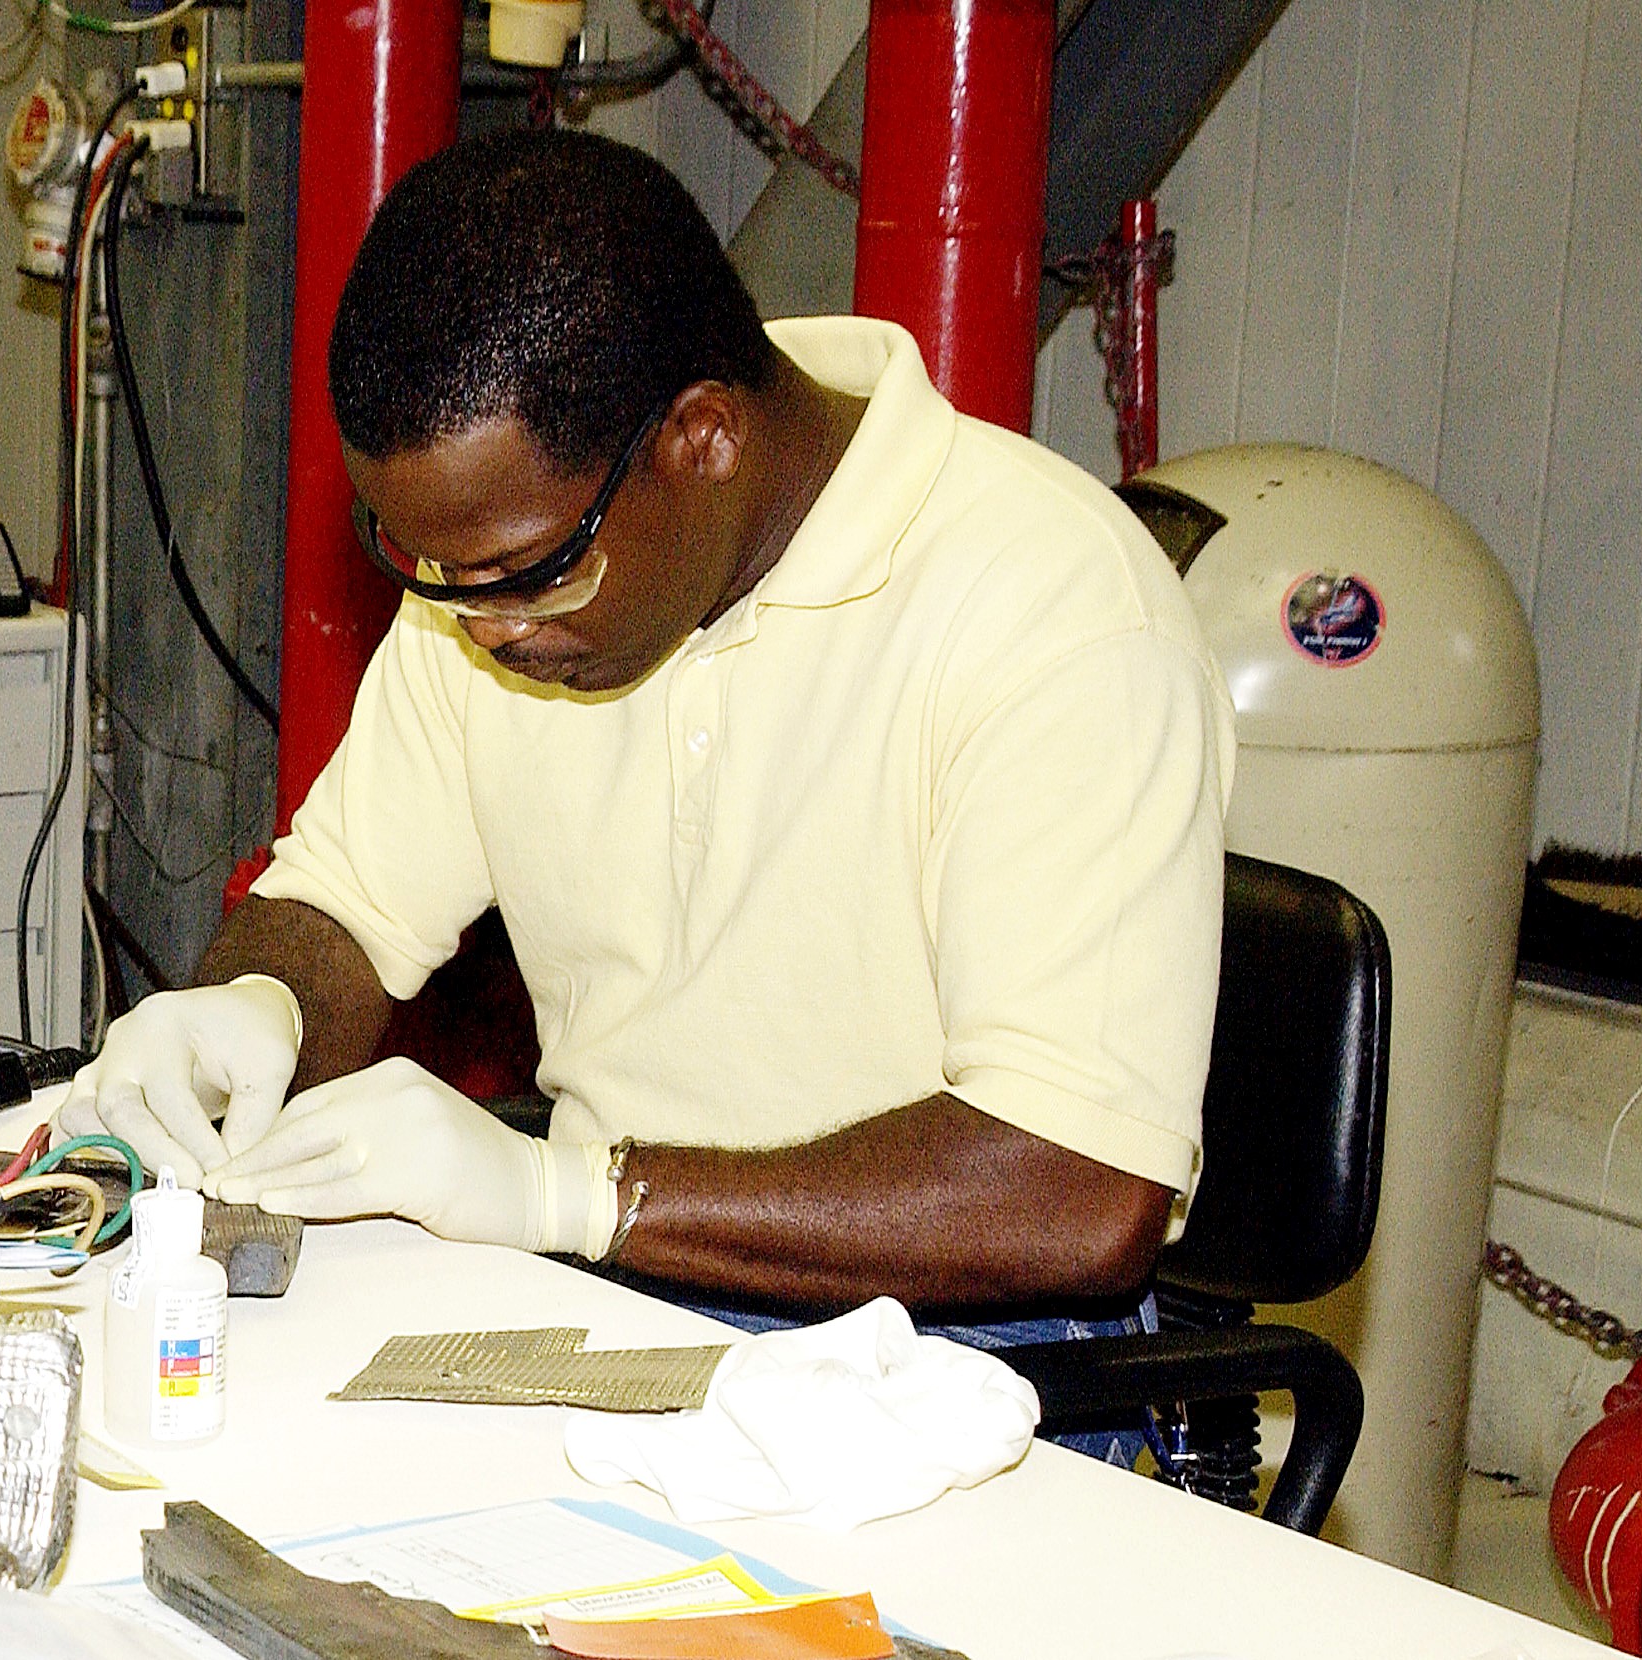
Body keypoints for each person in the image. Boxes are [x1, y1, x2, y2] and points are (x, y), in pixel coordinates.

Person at [59, 129, 1234, 1351]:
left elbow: (1078, 1189)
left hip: (952, 1343)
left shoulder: (1057, 611)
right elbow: (347, 907)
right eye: (436, 572)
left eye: (527, 573)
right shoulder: (497, 576)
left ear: (705, 439)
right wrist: (255, 1007)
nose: (486, 626)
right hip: (602, 1283)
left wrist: (580, 1192)